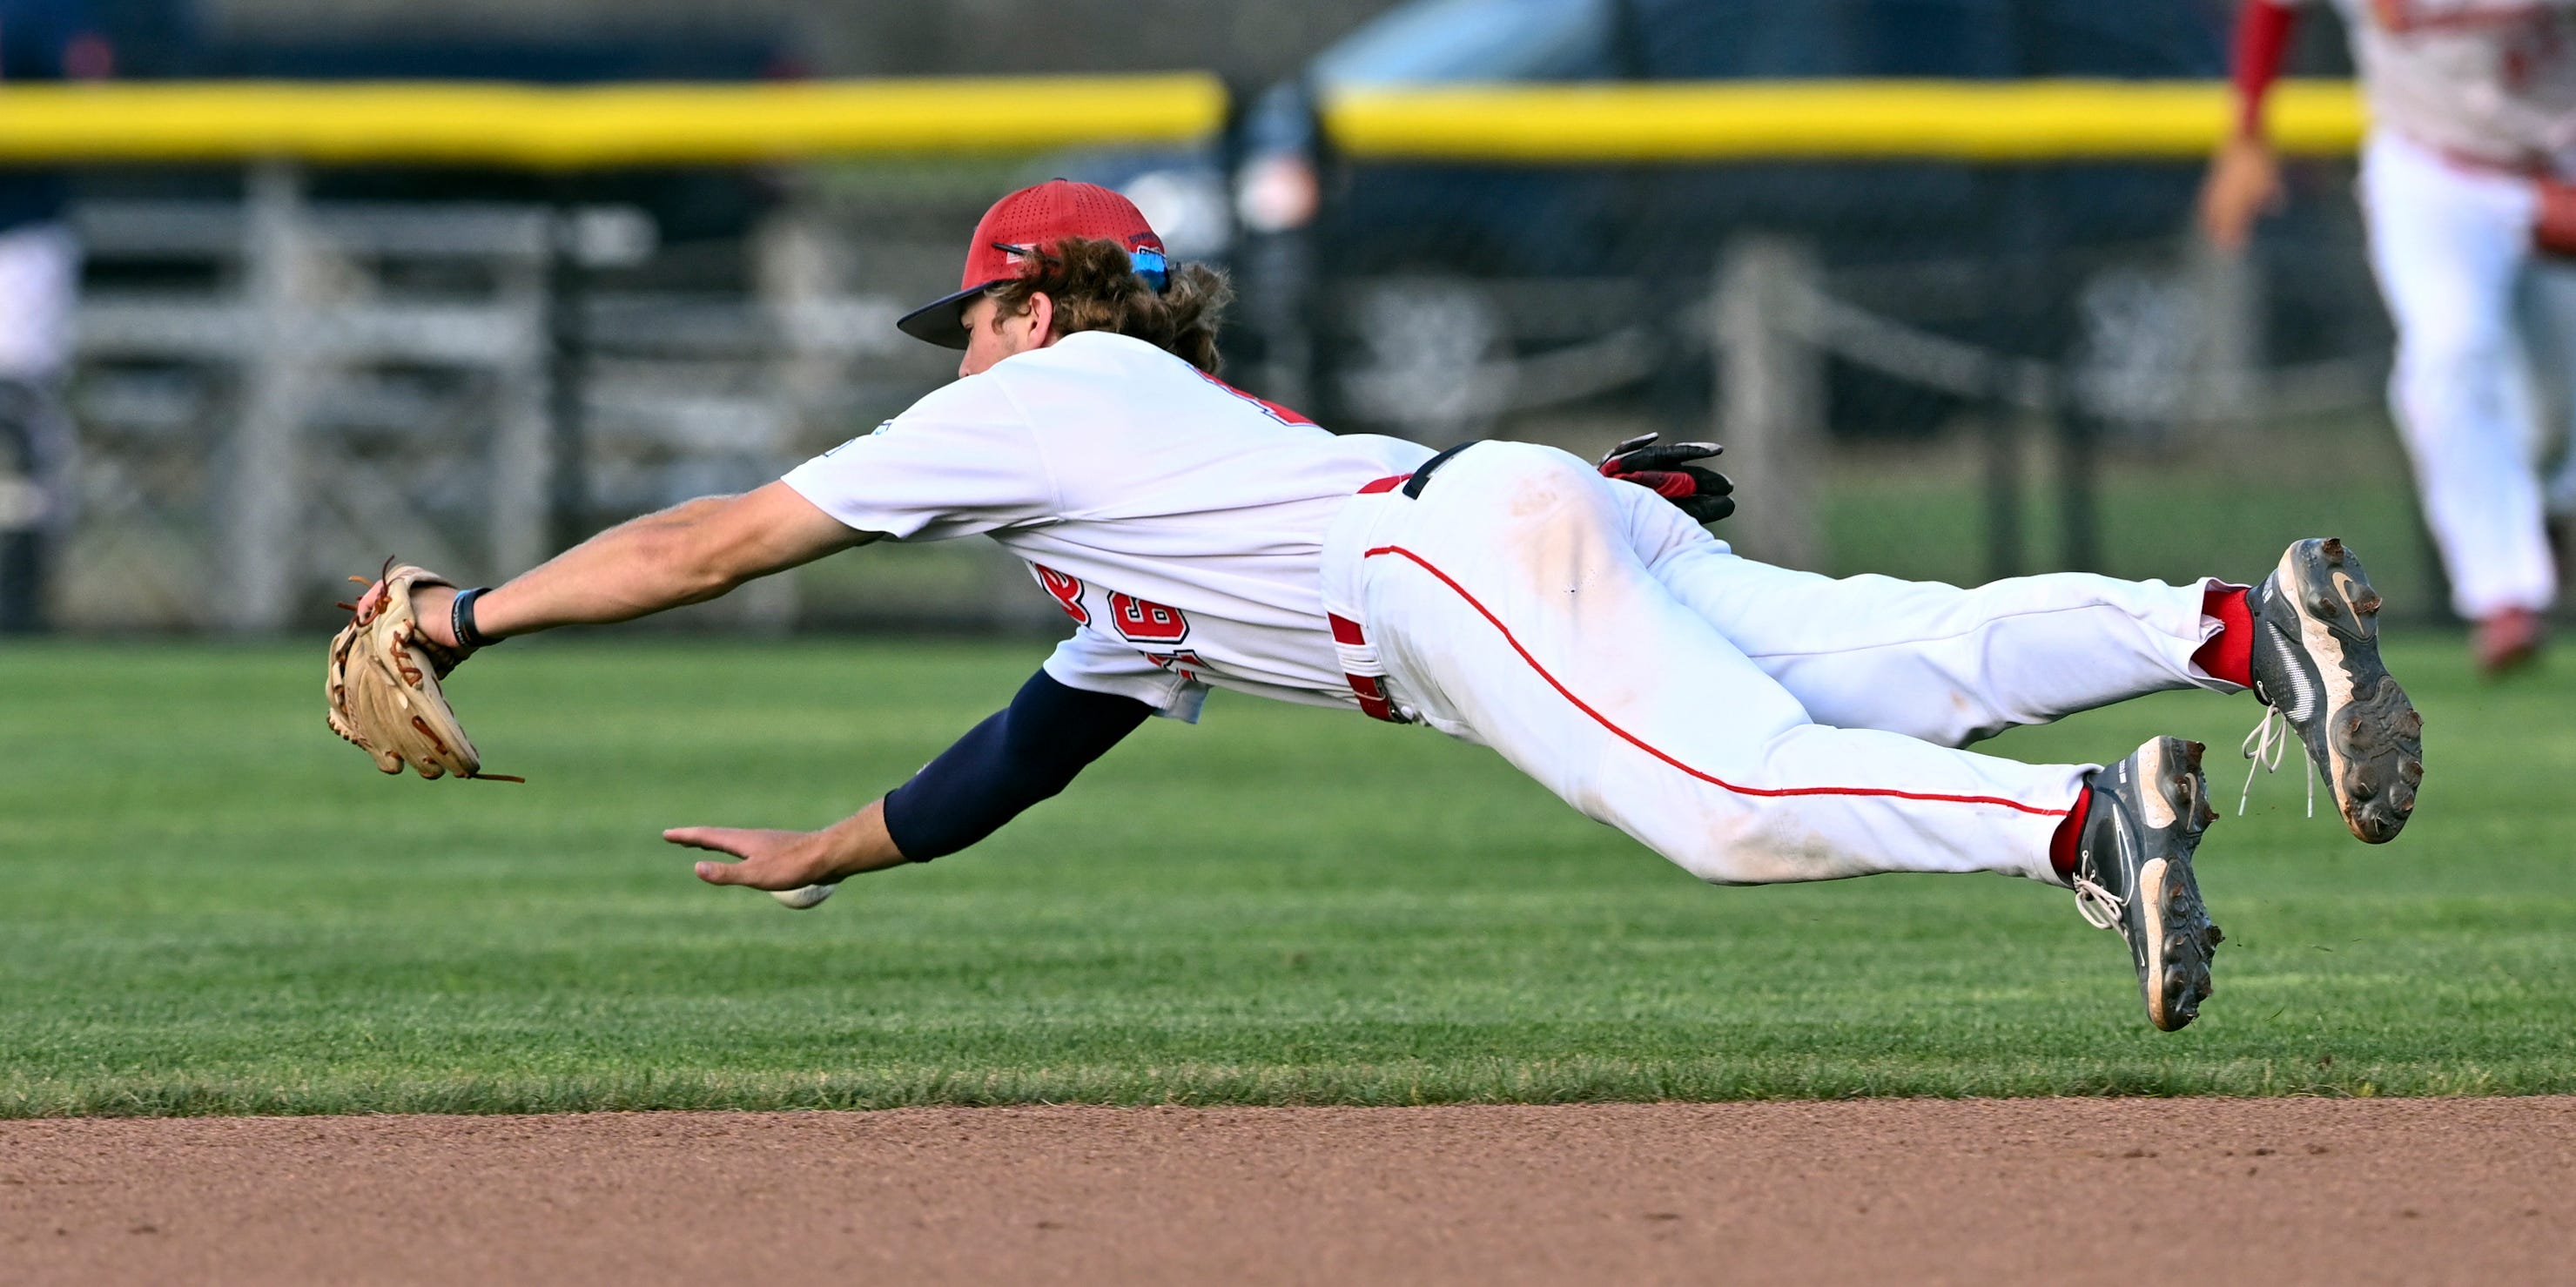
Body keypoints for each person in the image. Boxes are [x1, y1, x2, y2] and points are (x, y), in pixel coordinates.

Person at [358, 181, 2425, 1032]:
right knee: (1890, 653)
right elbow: (1047, 726)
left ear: (1015, 300)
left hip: (1435, 572)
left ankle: (2085, 826)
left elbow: (712, 539)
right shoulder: (1126, 488)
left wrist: (471, 621)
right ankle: (2232, 630)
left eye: (962, 311)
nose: (951, 342)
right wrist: (834, 845)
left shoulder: (1044, 397)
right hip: (1499, 524)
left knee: (1727, 805)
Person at [2202, 0, 2576, 673]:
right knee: (2449, 350)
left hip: (2555, 158)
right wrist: (2248, 135)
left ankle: (2544, 503)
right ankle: (2502, 597)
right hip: (2432, 175)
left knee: (2557, 405)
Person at [0, 0, 110, 632]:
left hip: (18, 236)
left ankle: (18, 605)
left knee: (16, 422)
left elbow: (90, 85)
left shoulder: (35, 9)